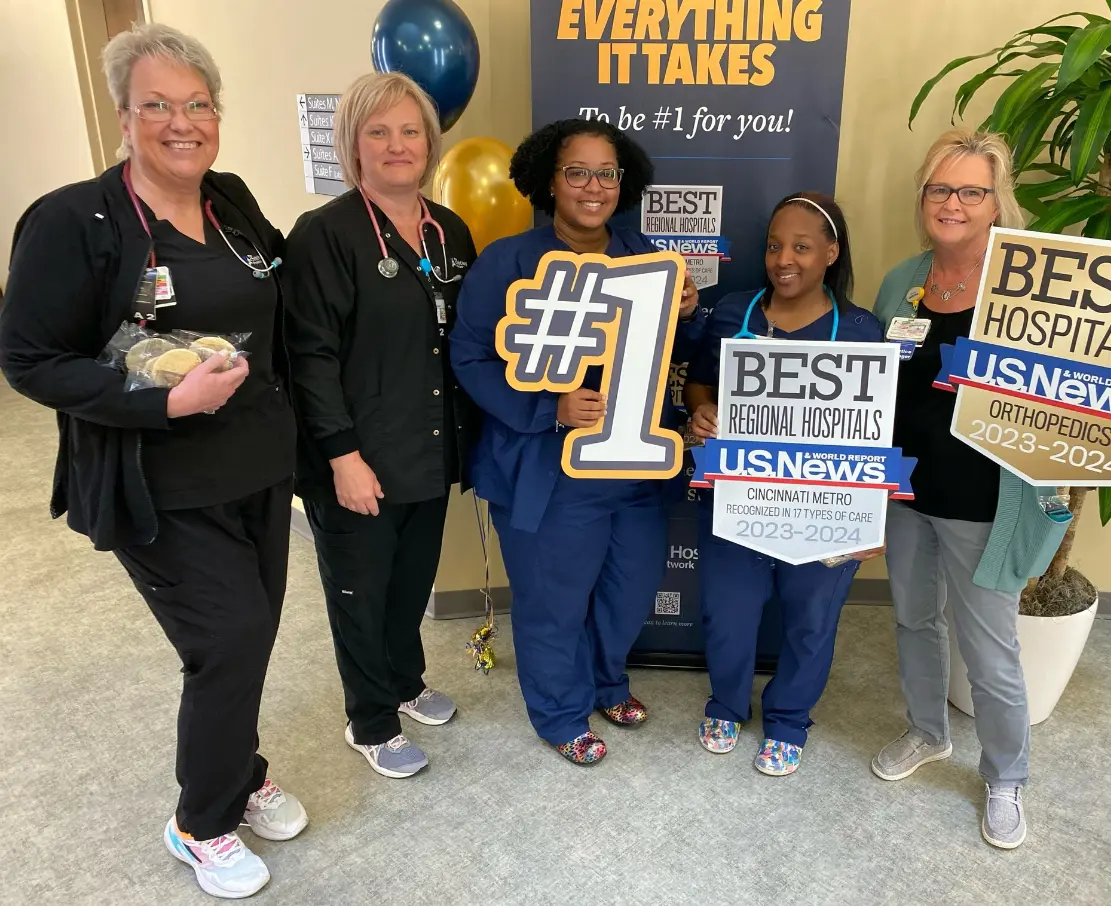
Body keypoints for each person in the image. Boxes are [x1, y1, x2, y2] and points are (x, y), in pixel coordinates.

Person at [0, 23, 305, 899]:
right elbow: (27, 360)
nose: (183, 122)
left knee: (246, 640)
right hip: (156, 483)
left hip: (256, 470)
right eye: (158, 106)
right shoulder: (72, 221)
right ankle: (199, 823)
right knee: (229, 639)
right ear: (125, 119)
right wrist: (164, 402)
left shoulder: (232, 199)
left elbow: (277, 295)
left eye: (198, 104)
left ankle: (240, 774)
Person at [870, 128, 1111, 849]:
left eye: (972, 190)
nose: (953, 203)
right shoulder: (901, 278)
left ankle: (1005, 777)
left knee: (991, 649)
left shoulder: (1034, 286)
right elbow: (879, 386)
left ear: (999, 204)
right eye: (940, 188)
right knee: (911, 620)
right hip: (906, 491)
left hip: (989, 503)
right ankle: (927, 732)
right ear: (923, 199)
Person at [449, 118, 702, 765]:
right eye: (578, 172)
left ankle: (605, 681)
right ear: (548, 181)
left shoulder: (642, 253)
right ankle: (561, 713)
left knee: (629, 591)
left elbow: (667, 356)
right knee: (552, 604)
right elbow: (470, 357)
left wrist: (686, 310)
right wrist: (547, 406)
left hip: (631, 470)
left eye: (607, 173)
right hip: (548, 471)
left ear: (626, 181)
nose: (594, 186)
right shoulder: (508, 263)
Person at [283, 72, 477, 779]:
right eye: (378, 132)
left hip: (429, 447)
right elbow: (310, 356)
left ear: (430, 142)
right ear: (353, 147)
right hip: (358, 458)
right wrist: (342, 456)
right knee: (361, 595)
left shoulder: (447, 231)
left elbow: (470, 337)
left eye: (410, 131)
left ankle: (405, 680)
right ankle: (369, 719)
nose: (398, 145)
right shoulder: (325, 236)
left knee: (410, 583)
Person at [683, 192, 886, 776]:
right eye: (774, 246)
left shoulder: (860, 329)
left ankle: (790, 717)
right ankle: (726, 703)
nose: (783, 259)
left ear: (831, 253)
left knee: (811, 617)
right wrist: (702, 415)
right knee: (729, 612)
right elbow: (698, 384)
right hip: (736, 497)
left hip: (825, 504)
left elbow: (875, 429)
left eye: (801, 246)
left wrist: (870, 515)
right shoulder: (731, 312)